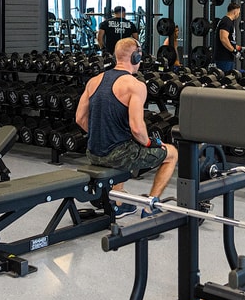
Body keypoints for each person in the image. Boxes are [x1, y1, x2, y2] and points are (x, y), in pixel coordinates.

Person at [75, 37, 177, 217]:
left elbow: (80, 118)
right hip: (118, 155)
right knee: (171, 153)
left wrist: (103, 135)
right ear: (136, 57)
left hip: (93, 152)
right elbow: (137, 128)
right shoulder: (135, 86)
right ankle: (150, 206)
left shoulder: (94, 81)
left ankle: (118, 203)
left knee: (125, 142)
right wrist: (149, 143)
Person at [213, 2, 243, 72]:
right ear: (235, 11)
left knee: (229, 77)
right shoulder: (226, 21)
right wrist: (234, 51)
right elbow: (223, 39)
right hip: (224, 58)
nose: (239, 14)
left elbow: (230, 41)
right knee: (225, 77)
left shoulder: (228, 21)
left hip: (227, 58)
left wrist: (239, 48)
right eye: (238, 12)